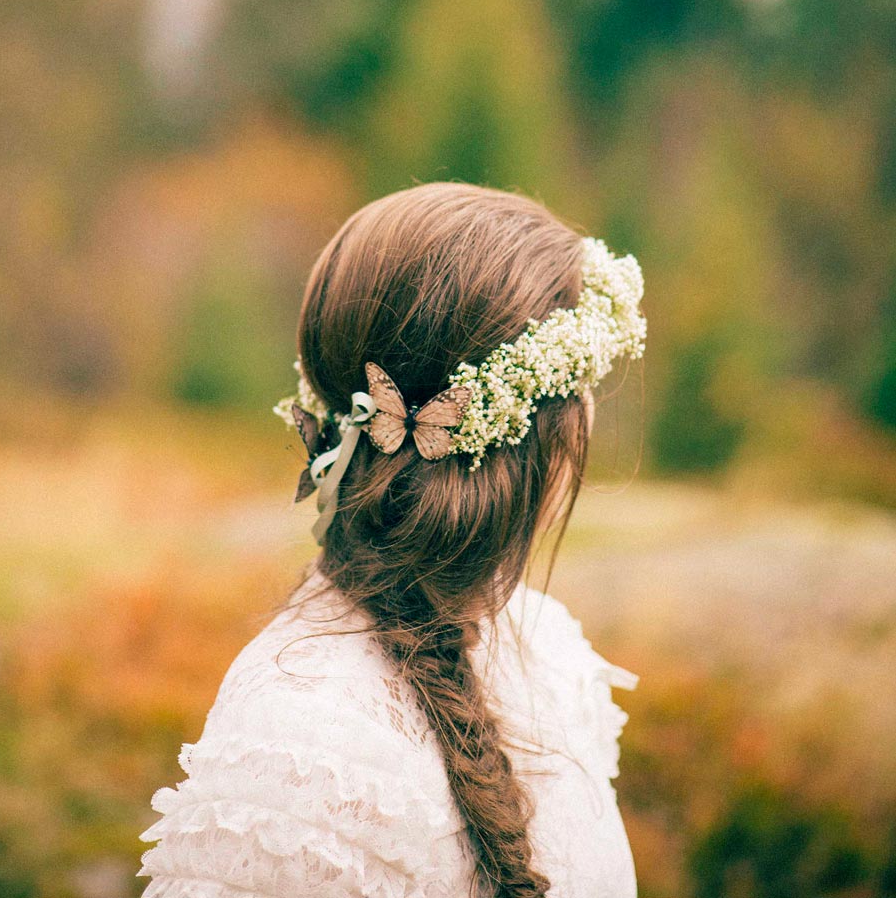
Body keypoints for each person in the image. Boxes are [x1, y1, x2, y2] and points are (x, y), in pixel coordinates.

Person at [140, 182, 647, 898]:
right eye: (579, 395)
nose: (587, 420)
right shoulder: (302, 741)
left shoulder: (542, 650)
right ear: (535, 439)